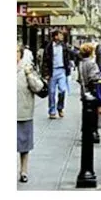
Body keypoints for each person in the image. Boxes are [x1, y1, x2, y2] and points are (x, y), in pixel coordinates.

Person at [17, 43, 45, 183]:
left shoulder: (26, 68)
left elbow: (38, 87)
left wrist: (29, 74)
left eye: (16, 52)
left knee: (24, 145)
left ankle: (23, 170)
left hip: (23, 112)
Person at [42, 29, 72, 119]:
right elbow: (45, 61)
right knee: (51, 92)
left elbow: (68, 57)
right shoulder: (49, 47)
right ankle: (52, 111)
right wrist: (46, 73)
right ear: (55, 36)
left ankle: (60, 107)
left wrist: (68, 69)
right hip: (52, 72)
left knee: (62, 90)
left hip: (62, 71)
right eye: (60, 35)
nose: (62, 37)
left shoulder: (64, 46)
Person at [79, 43, 101, 143]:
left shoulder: (81, 63)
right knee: (93, 113)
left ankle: (85, 131)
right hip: (92, 91)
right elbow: (94, 78)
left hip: (84, 91)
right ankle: (93, 132)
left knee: (85, 112)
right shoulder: (92, 64)